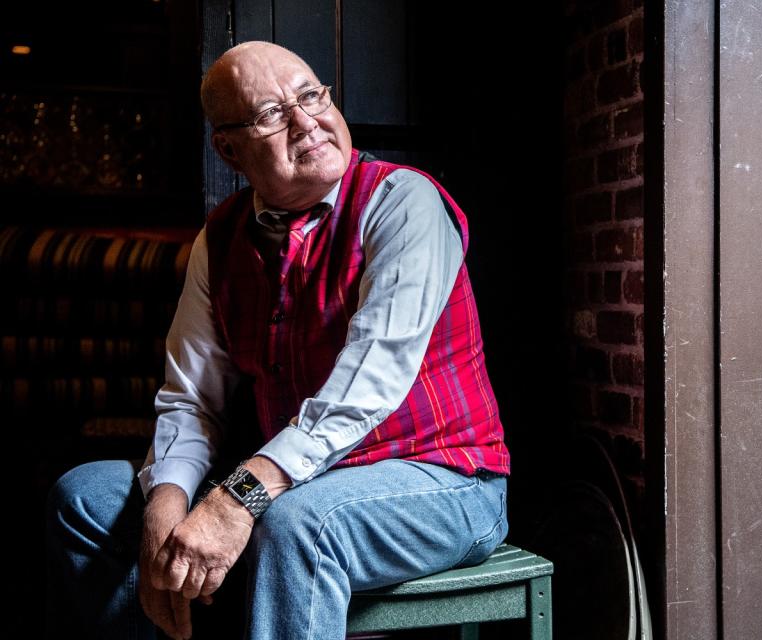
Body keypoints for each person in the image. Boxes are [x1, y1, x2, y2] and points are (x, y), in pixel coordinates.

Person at [46, 41, 510, 640]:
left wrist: (236, 498)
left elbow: (369, 383)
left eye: (312, 95)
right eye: (271, 112)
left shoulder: (404, 202)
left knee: (294, 524)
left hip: (447, 482)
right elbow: (191, 399)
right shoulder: (219, 241)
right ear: (228, 149)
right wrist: (165, 505)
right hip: (304, 478)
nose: (306, 120)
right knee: (85, 495)